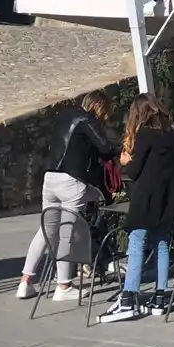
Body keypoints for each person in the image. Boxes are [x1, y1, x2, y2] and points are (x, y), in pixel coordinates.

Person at [18, 91, 116, 300]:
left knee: (46, 231)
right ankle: (63, 286)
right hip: (72, 180)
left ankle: (25, 281)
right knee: (67, 233)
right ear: (99, 107)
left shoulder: (63, 115)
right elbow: (106, 148)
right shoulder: (88, 120)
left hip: (50, 177)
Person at [101, 96, 174, 322]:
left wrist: (126, 160)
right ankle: (160, 297)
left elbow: (135, 171)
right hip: (171, 194)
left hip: (148, 194)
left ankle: (128, 298)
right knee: (161, 243)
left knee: (137, 241)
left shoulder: (145, 133)